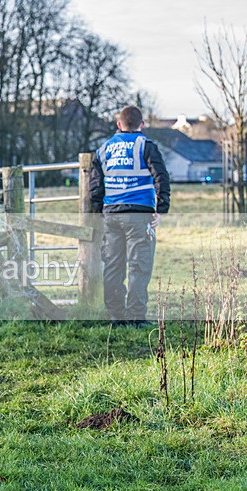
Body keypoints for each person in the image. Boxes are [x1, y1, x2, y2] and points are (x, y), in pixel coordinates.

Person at [90, 105, 170, 327]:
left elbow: (95, 186)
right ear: (141, 124)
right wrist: (161, 208)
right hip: (139, 214)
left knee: (113, 266)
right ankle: (135, 317)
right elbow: (161, 177)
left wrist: (98, 213)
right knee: (138, 265)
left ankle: (116, 316)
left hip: (111, 215)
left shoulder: (103, 149)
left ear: (119, 125)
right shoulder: (146, 146)